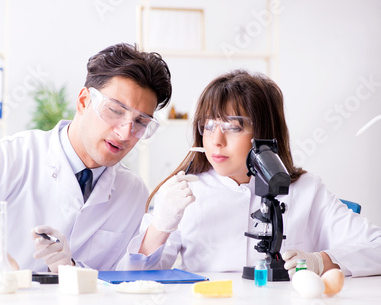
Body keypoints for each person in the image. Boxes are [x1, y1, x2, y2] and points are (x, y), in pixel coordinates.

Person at [0, 43, 172, 273]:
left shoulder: (132, 192)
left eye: (140, 122)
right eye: (115, 110)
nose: (126, 132)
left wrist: (72, 269)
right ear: (83, 101)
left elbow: (118, 282)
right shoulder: (10, 156)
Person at [117, 69, 381, 278]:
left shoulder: (307, 189)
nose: (216, 140)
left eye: (233, 127)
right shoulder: (186, 192)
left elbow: (376, 247)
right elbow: (134, 276)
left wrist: (320, 261)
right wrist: (161, 225)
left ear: (265, 134)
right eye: (208, 126)